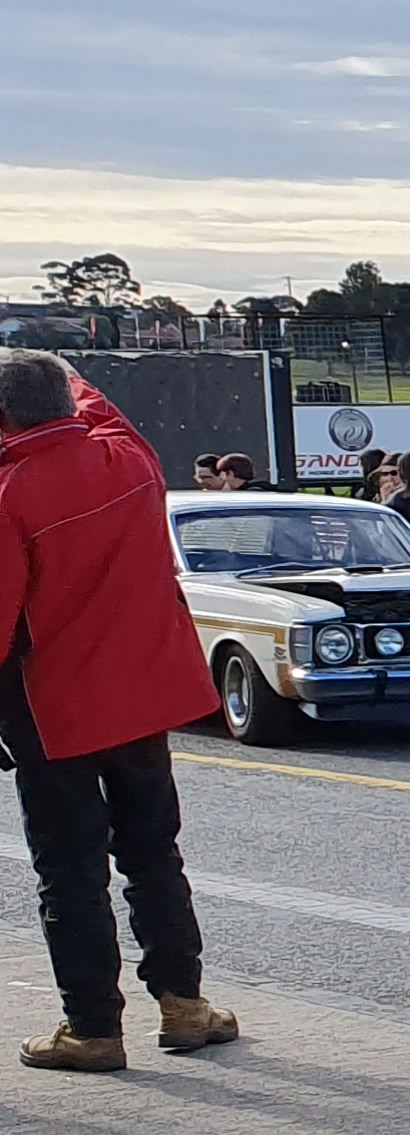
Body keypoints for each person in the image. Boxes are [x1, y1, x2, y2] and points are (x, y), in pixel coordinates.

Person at [0, 349, 235, 1070]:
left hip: (54, 710)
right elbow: (96, 406)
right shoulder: (129, 460)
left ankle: (94, 1027)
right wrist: (63, 369)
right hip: (140, 699)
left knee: (70, 872)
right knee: (152, 854)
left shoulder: (9, 492)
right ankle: (185, 1005)